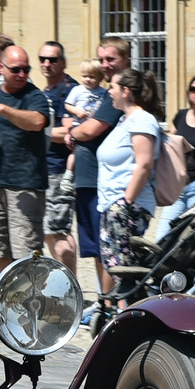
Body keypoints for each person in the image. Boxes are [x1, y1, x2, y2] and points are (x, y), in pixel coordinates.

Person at [0, 45, 52, 274]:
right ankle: (5, 303)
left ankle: (32, 304)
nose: (22, 75)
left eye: (26, 69)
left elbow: (37, 122)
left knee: (26, 253)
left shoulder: (33, 95)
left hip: (26, 186)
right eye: (16, 69)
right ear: (1, 68)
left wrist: (5, 110)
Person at [70, 37, 131, 296]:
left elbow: (92, 129)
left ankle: (109, 305)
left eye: (111, 59)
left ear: (125, 59)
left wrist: (74, 132)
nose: (105, 65)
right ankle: (104, 300)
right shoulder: (108, 92)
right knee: (96, 248)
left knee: (108, 249)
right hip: (87, 181)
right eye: (102, 59)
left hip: (101, 182)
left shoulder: (121, 92)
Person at [96, 67, 163, 275]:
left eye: (113, 87)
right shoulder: (125, 120)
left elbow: (144, 164)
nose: (109, 91)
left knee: (126, 268)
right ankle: (120, 307)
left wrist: (126, 202)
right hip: (114, 203)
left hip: (126, 205)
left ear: (125, 91)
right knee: (116, 266)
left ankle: (134, 307)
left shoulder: (142, 119)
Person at [156, 75, 195, 238]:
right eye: (194, 89)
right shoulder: (181, 115)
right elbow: (169, 146)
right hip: (178, 186)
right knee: (162, 236)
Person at [39, 41, 79, 272]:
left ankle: (69, 291)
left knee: (58, 231)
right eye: (42, 59)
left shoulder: (69, 90)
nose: (46, 64)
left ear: (63, 62)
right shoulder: (48, 90)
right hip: (47, 170)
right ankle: (64, 286)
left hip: (60, 170)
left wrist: (35, 129)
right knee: (51, 232)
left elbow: (68, 131)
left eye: (52, 59)